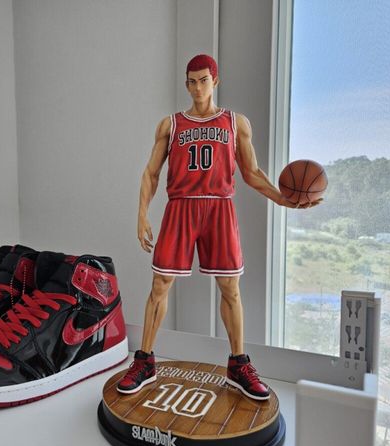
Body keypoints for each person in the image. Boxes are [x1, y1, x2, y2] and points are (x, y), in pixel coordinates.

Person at [117, 54, 321, 400]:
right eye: (192, 81)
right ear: (186, 84)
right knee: (160, 284)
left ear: (215, 81)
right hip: (180, 207)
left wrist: (283, 200)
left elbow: (252, 172)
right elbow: (151, 173)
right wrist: (141, 214)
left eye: (204, 80)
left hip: (220, 207)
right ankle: (145, 361)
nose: (197, 88)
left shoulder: (235, 123)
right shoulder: (170, 125)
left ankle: (238, 365)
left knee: (231, 288)